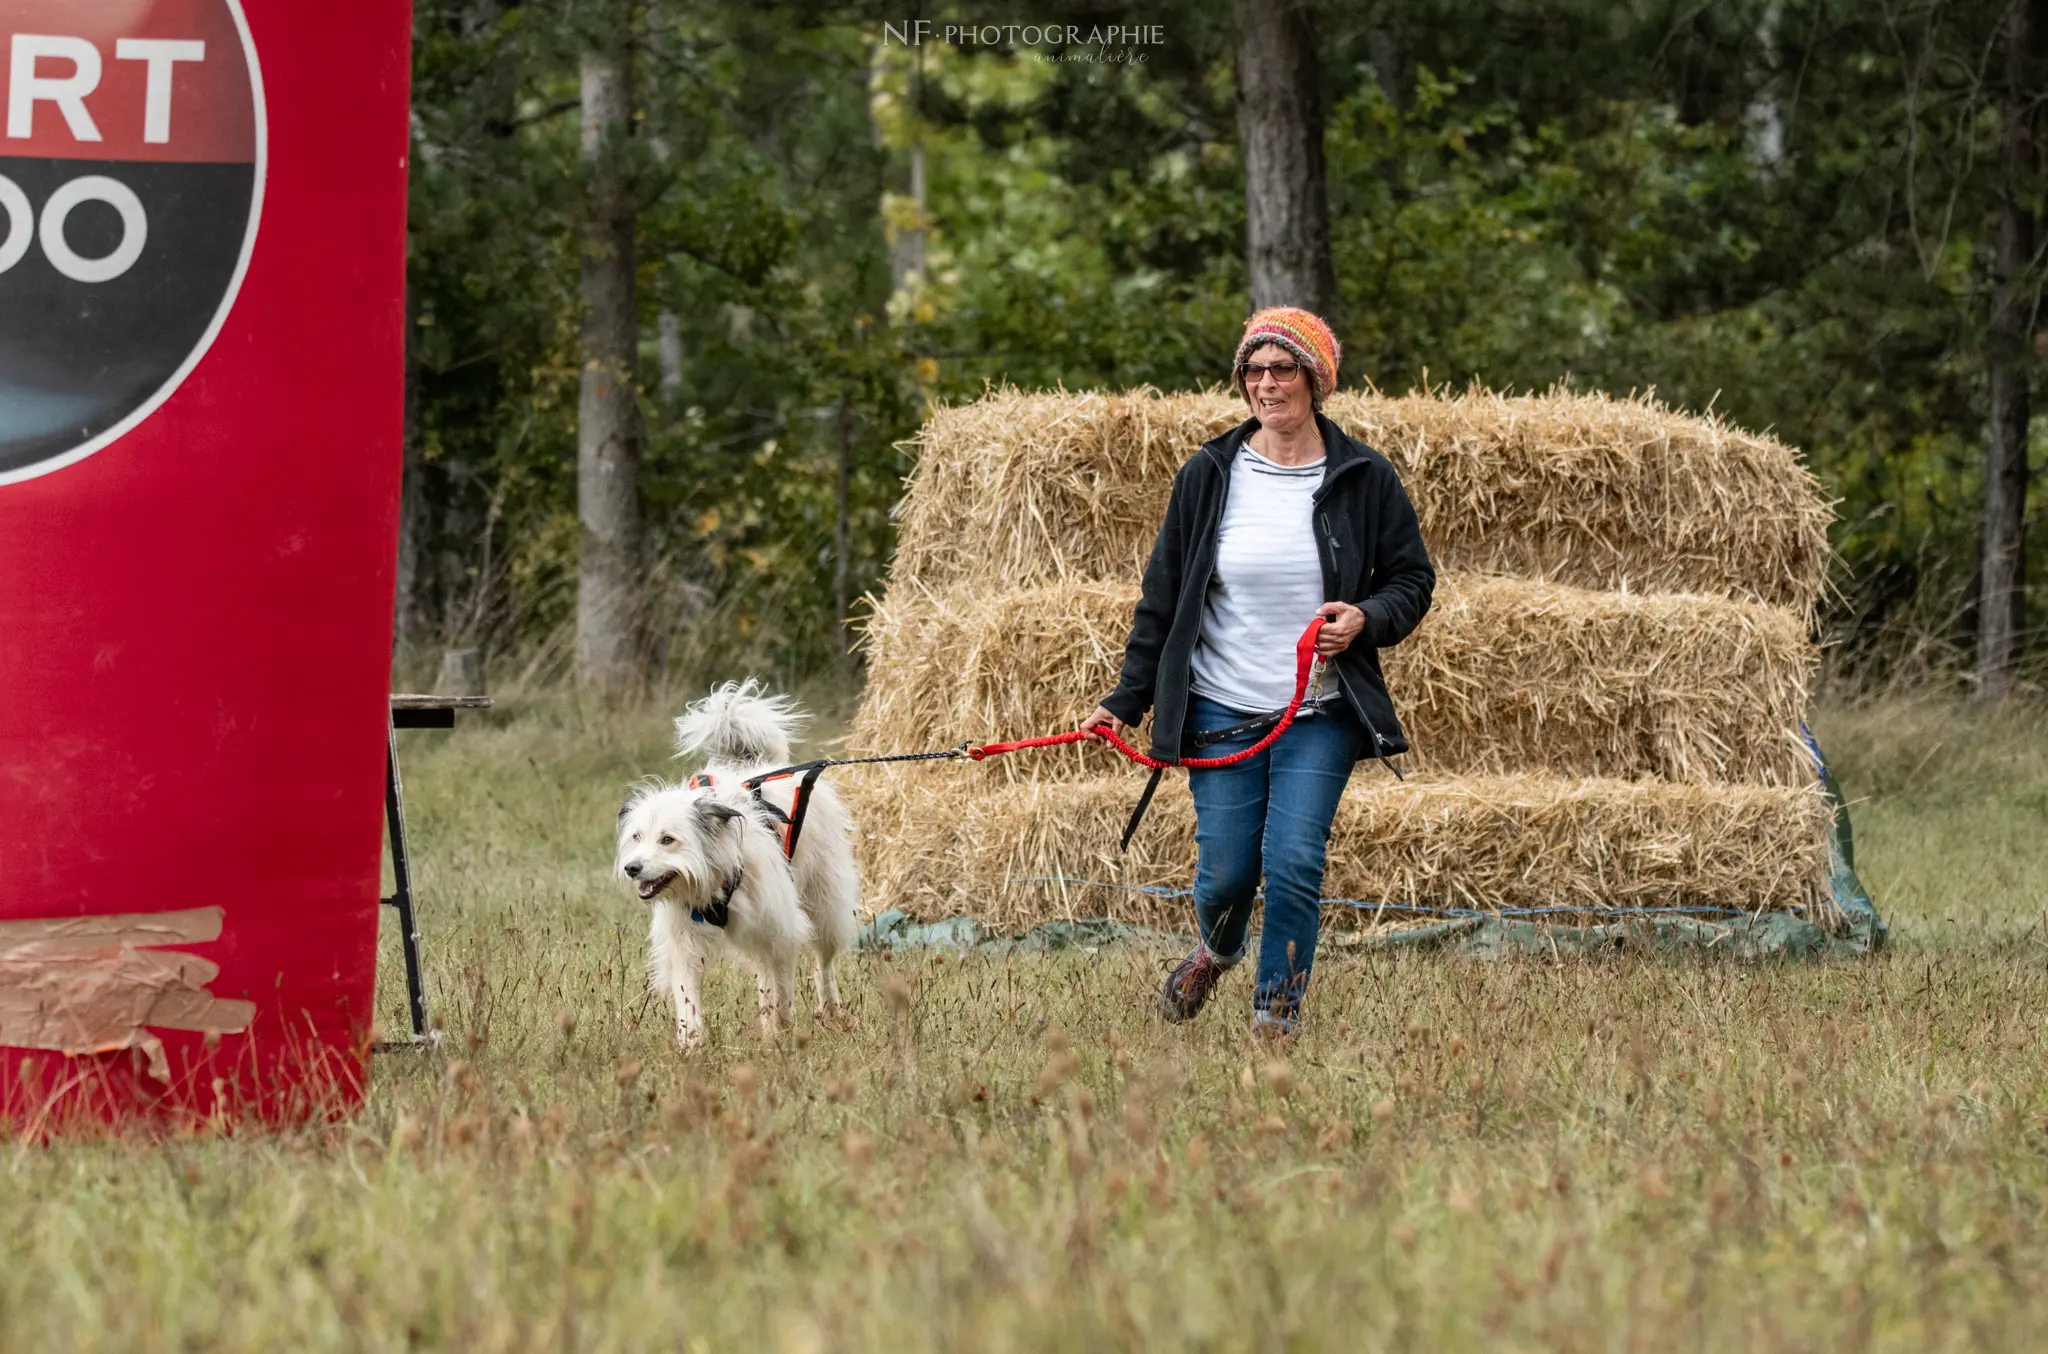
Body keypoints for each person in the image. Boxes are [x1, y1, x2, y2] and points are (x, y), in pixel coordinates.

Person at [1078, 307, 1435, 1038]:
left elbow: (1411, 579)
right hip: (1220, 709)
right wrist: (1125, 699)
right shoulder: (1209, 474)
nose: (1266, 384)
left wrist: (1366, 617)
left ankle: (1277, 1016)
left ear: (1316, 381)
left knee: (1296, 859)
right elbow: (1163, 600)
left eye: (1283, 369)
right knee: (1229, 876)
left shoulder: (1364, 476)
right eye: (1254, 370)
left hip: (1320, 712)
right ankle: (1218, 947)